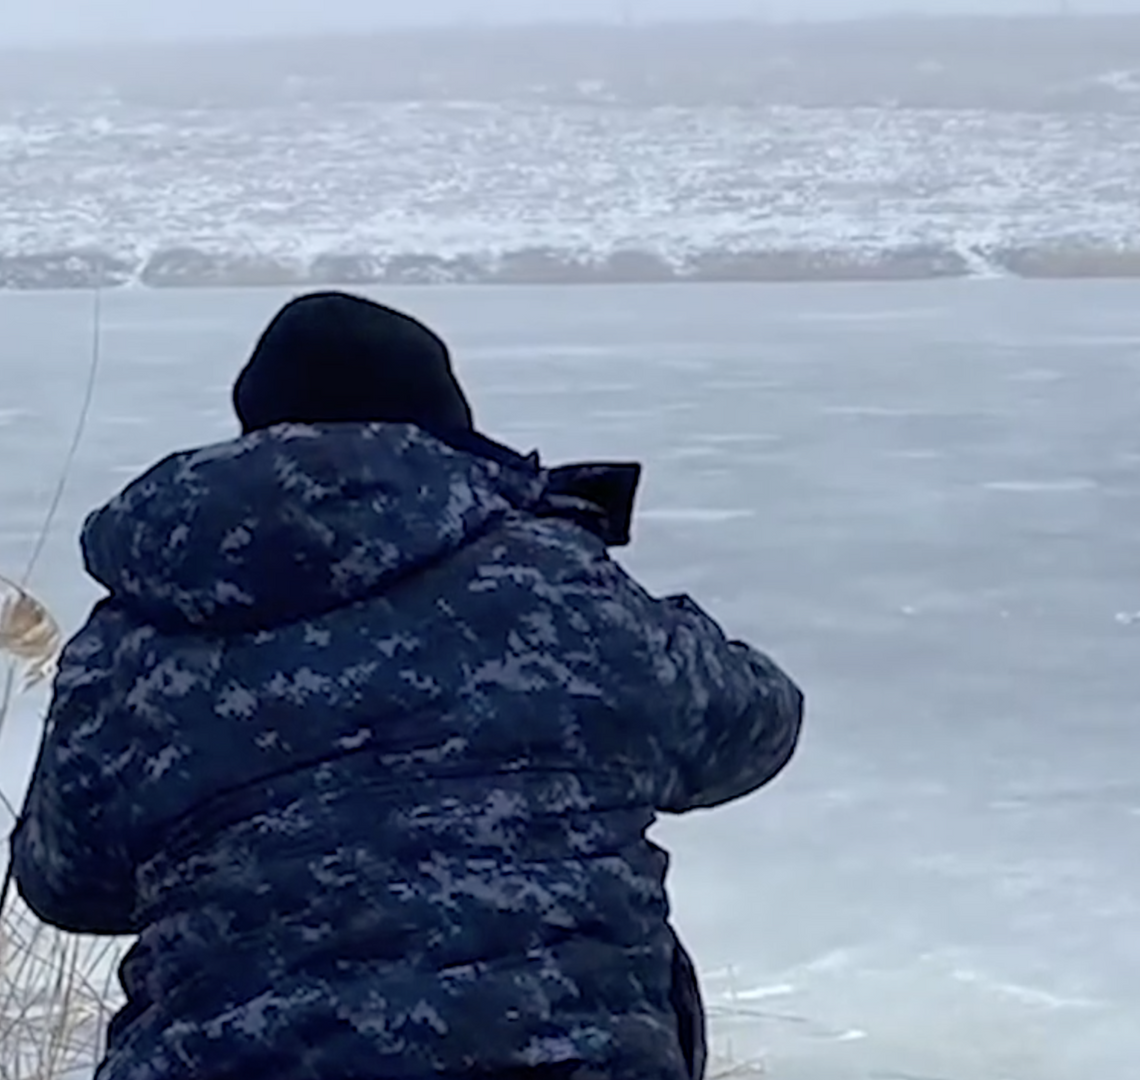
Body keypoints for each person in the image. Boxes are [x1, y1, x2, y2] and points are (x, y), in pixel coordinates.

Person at [8, 291, 804, 1080]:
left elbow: (65, 883)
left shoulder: (138, 636)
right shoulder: (552, 585)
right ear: (446, 427)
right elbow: (757, 723)